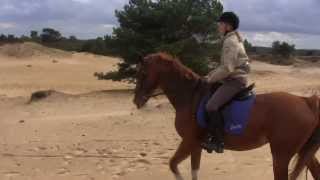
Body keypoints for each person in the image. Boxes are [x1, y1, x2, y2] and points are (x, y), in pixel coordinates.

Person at [201, 12, 251, 153]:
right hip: (231, 78)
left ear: (228, 26)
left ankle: (218, 141)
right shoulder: (232, 39)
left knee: (211, 106)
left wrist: (209, 79)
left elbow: (227, 68)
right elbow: (224, 66)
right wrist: (209, 75)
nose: (218, 26)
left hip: (234, 81)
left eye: (220, 24)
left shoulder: (230, 41)